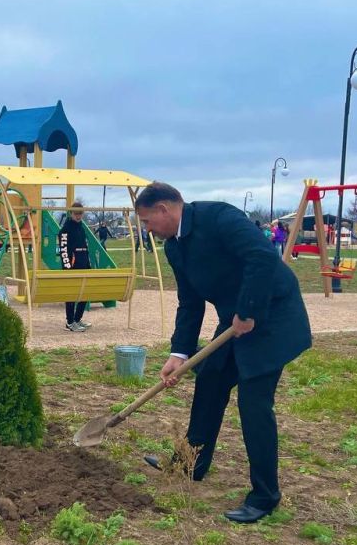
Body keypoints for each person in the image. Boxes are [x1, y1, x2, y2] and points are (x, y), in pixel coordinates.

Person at [135, 183, 311, 524]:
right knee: (211, 380)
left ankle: (265, 496)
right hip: (236, 321)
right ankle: (191, 462)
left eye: (147, 221)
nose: (148, 229)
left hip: (272, 315)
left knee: (253, 403)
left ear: (164, 210)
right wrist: (180, 354)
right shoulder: (175, 248)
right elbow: (190, 302)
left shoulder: (219, 218)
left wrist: (249, 310)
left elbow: (261, 256)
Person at [59, 202, 92, 332]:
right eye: (76, 213)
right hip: (72, 266)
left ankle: (77, 319)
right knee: (71, 293)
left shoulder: (81, 227)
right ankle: (70, 321)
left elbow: (85, 246)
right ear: (71, 213)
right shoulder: (66, 229)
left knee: (85, 293)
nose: (78, 216)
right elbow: (63, 249)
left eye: (80, 214)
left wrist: (88, 264)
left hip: (84, 263)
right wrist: (67, 267)